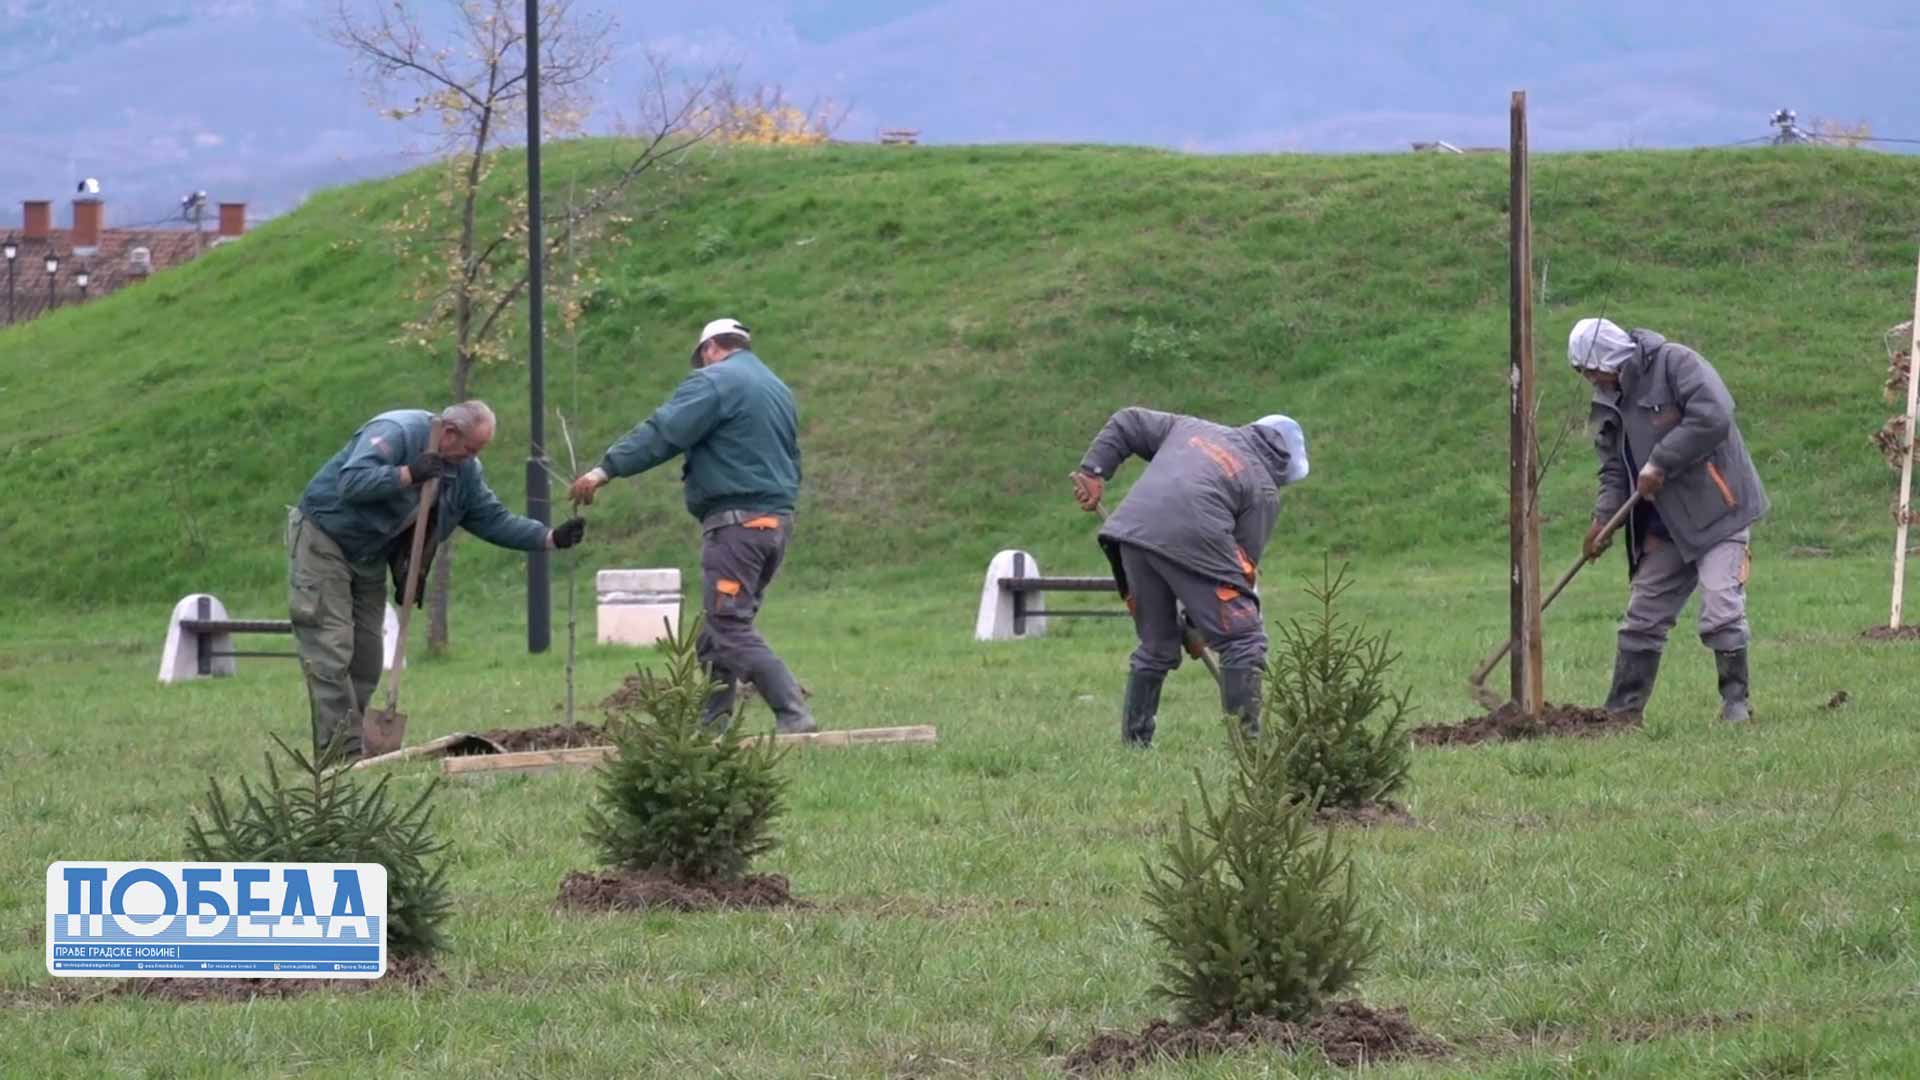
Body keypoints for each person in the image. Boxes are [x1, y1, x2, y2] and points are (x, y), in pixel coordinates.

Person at [290, 400, 587, 760]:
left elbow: (492, 519)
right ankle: (340, 759)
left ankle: (352, 744)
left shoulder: (465, 472)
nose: (473, 458)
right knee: (332, 649)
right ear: (449, 432)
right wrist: (408, 474)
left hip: (370, 556)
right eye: (470, 449)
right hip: (324, 540)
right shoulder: (397, 431)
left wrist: (550, 538)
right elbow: (351, 482)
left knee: (367, 658)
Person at [569, 317, 816, 734]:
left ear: (710, 349)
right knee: (714, 634)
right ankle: (712, 725)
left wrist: (604, 470)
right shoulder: (777, 389)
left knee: (728, 625)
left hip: (737, 526)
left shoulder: (715, 381)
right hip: (775, 523)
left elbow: (663, 431)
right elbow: (792, 458)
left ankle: (793, 714)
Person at [1069, 408, 1309, 746]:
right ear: (1284, 465)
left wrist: (1093, 471)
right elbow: (1237, 571)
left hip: (1131, 533)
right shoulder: (1264, 491)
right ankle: (1250, 749)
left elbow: (1129, 421)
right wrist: (1204, 626)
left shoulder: (1191, 429)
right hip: (1193, 537)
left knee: (1156, 644)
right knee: (1243, 640)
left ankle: (1135, 746)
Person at [1570, 317, 1768, 724]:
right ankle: (1621, 715)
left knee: (1721, 610)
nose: (1591, 379)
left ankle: (1736, 705)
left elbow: (1714, 415)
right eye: (1583, 373)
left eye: (1591, 370)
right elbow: (1614, 470)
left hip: (1718, 511)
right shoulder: (1606, 404)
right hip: (1664, 526)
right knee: (1641, 619)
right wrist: (1602, 521)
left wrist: (1661, 461)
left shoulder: (1675, 363)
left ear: (1610, 358)